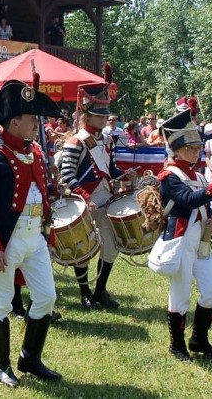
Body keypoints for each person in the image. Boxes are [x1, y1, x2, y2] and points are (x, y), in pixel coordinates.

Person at [0, 78, 62, 387]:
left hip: (34, 237)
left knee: (46, 298)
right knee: (0, 303)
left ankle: (30, 357)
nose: (35, 124)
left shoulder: (35, 151)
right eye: (30, 118)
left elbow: (39, 190)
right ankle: (1, 365)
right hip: (7, 241)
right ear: (14, 122)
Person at [157, 106, 212, 362]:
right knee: (179, 296)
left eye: (197, 147)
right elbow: (187, 200)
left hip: (201, 240)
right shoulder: (168, 176)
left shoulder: (200, 175)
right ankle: (177, 345)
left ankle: (199, 339)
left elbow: (205, 207)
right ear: (176, 148)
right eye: (189, 147)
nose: (195, 151)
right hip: (180, 240)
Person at [60, 67, 135, 309]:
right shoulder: (76, 141)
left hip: (106, 197)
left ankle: (100, 289)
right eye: (99, 116)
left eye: (105, 116)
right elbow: (67, 175)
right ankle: (84, 292)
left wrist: (124, 174)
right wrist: (84, 196)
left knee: (110, 245)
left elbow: (111, 170)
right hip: (85, 200)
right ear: (87, 115)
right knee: (83, 246)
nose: (104, 120)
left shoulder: (108, 140)